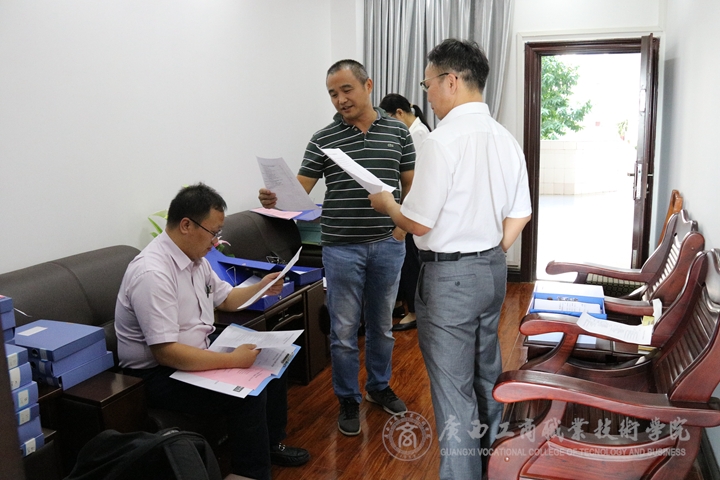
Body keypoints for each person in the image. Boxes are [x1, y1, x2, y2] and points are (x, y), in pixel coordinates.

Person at [368, 40, 532, 480]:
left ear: (451, 81)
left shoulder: (441, 142)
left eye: (428, 85)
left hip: (450, 279)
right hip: (491, 272)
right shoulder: (505, 139)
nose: (427, 95)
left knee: (453, 395)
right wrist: (492, 250)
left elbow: (418, 222)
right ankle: (492, 468)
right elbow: (521, 212)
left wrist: (387, 204)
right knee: (485, 378)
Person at [258, 60, 415, 437]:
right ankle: (348, 398)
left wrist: (400, 230)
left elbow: (411, 185)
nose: (340, 99)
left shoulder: (398, 131)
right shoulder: (323, 138)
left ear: (368, 86)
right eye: (332, 93)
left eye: (346, 90)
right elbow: (298, 191)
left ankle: (378, 387)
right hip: (341, 248)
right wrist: (273, 199)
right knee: (343, 330)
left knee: (382, 326)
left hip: (387, 244)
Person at [115, 183, 310, 480]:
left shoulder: (196, 260)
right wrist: (233, 360)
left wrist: (262, 287)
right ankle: (251, 473)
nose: (216, 241)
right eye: (213, 232)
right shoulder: (152, 273)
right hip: (157, 374)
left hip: (199, 348)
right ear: (186, 225)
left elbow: (226, 298)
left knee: (271, 359)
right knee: (247, 394)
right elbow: (166, 353)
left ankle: (270, 445)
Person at [378, 93, 432, 331]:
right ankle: (402, 305)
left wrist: (402, 222)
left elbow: (416, 182)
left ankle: (414, 312)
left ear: (399, 113)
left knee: (410, 262)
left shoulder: (418, 135)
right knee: (405, 261)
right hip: (408, 208)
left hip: (414, 210)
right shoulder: (413, 132)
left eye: (389, 119)